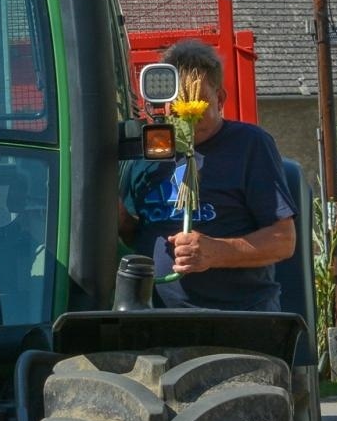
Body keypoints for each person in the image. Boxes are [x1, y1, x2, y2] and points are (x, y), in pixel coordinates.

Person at [118, 39, 296, 311]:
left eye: (197, 101)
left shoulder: (249, 145)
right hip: (153, 314)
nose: (186, 112)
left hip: (233, 314)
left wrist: (215, 252)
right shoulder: (149, 147)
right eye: (176, 102)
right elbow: (131, 230)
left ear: (220, 99)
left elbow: (283, 241)